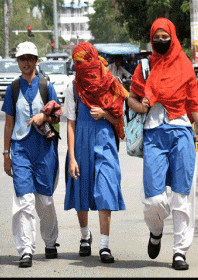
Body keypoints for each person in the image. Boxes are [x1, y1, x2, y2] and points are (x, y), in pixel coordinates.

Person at [128, 18, 198, 271]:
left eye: (166, 38)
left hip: (181, 131)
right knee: (154, 199)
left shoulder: (185, 65)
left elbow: (194, 104)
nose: (161, 42)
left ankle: (179, 251)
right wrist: (140, 105)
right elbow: (130, 98)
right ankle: (156, 231)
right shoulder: (144, 67)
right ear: (151, 38)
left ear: (173, 37)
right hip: (153, 133)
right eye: (157, 37)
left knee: (182, 195)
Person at [63, 42, 128, 264]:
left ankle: (104, 246)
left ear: (93, 58)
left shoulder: (111, 83)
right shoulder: (72, 88)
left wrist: (104, 114)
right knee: (81, 190)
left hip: (105, 143)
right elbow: (70, 124)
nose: (81, 66)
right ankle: (84, 237)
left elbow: (119, 119)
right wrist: (71, 158)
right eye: (76, 62)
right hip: (80, 144)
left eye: (84, 60)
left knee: (106, 189)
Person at [1, 41, 61, 268]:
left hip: (44, 150)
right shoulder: (13, 88)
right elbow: (9, 123)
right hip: (20, 149)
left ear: (36, 61)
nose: (26, 62)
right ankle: (26, 249)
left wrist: (43, 117)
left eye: (30, 58)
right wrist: (6, 154)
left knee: (44, 200)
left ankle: (50, 240)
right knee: (24, 200)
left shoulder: (47, 86)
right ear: (18, 62)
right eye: (21, 58)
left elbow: (57, 117)